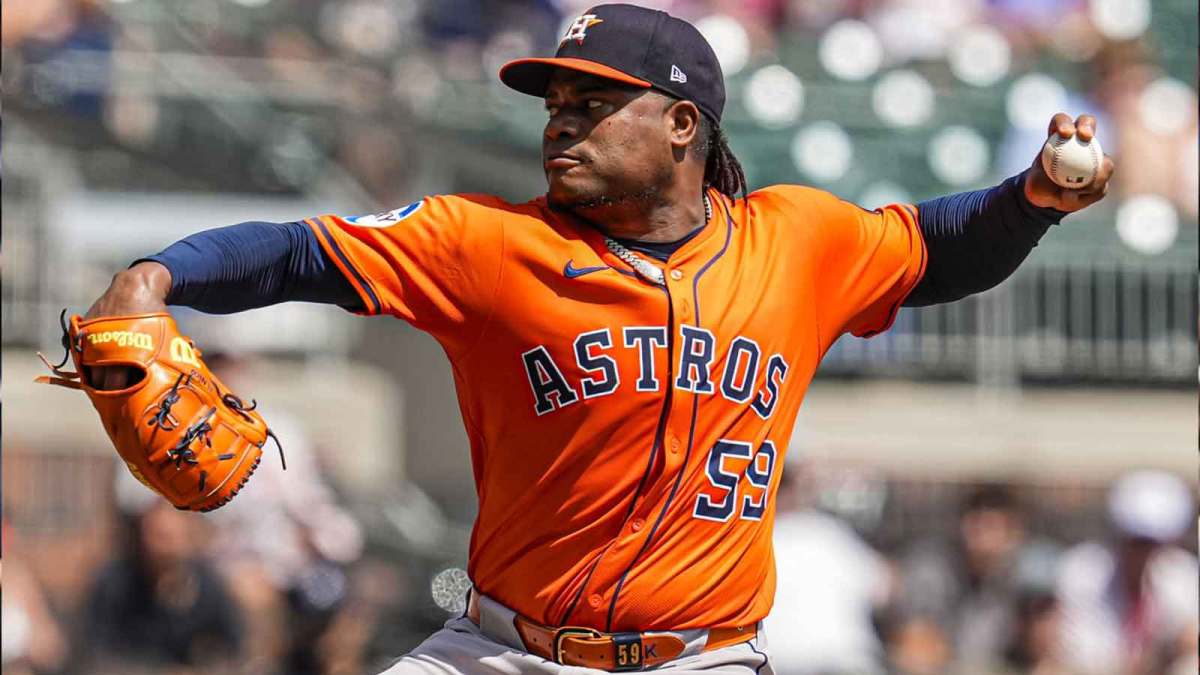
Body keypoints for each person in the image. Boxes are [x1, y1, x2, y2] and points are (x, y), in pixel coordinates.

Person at [78, 4, 1115, 673]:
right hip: (497, 651)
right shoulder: (488, 244)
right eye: (554, 104)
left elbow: (942, 246)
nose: (559, 122)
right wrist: (157, 275)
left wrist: (1034, 200)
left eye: (593, 102)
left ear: (681, 125)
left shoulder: (797, 242)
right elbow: (295, 252)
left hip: (698, 660)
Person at [1056, 470, 1198, 675]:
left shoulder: (1183, 576)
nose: (1145, 553)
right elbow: (1081, 661)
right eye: (1137, 542)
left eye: (1155, 544)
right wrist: (1161, 656)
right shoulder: (1083, 573)